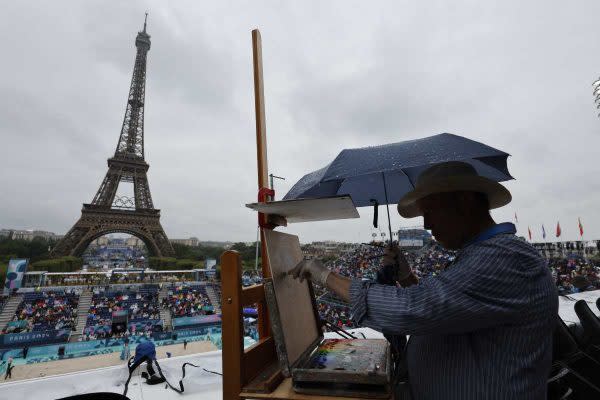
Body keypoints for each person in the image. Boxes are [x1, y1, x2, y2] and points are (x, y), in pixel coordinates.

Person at [290, 161, 558, 400]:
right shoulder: (484, 254)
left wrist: (325, 275)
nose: (427, 224)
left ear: (464, 201)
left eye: (430, 211)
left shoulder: (505, 258)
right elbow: (449, 308)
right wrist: (407, 277)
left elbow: (415, 309)